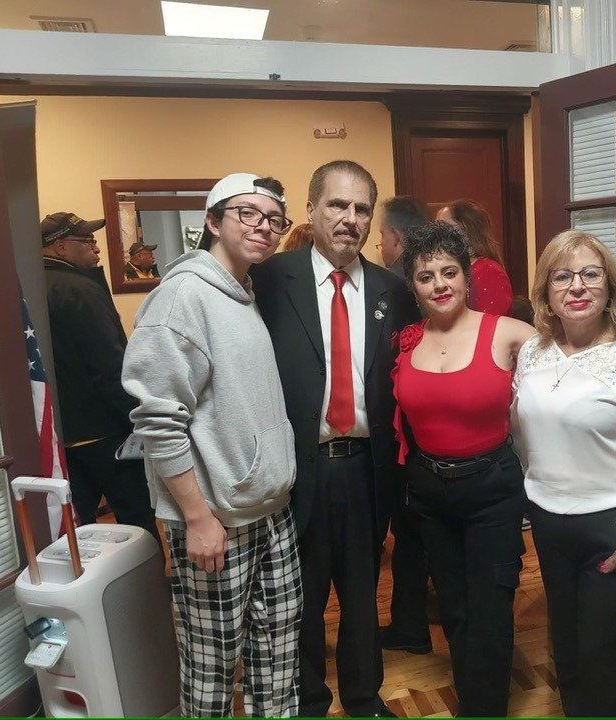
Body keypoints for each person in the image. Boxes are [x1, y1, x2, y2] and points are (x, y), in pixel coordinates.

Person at [122, 173, 302, 717]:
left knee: (278, 655)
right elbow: (157, 420)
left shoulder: (245, 293)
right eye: (247, 213)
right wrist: (198, 518)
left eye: (274, 219)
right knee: (211, 667)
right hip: (213, 519)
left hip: (270, 509)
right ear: (212, 221)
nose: (263, 227)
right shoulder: (182, 296)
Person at [250, 160, 419, 718]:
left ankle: (364, 699)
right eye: (337, 205)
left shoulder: (394, 290)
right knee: (301, 594)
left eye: (361, 209)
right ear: (311, 209)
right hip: (299, 467)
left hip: (368, 468)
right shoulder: (271, 278)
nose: (350, 219)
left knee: (363, 593)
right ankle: (308, 701)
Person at [511, 229, 616, 716]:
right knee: (566, 647)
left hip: (613, 527)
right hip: (549, 522)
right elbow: (523, 435)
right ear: (546, 291)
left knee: (605, 654)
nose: (577, 286)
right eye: (561, 277)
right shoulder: (534, 351)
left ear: (609, 286)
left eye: (591, 274)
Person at [391, 220, 535, 716]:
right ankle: (474, 697)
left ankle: (484, 709)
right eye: (426, 276)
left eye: (449, 272)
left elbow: (567, 379)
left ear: (467, 275)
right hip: (431, 494)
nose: (440, 284)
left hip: (492, 489)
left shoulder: (509, 333)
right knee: (453, 607)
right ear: (413, 286)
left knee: (490, 607)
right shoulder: (408, 340)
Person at [40, 211, 158, 541]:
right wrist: (137, 418)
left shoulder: (33, 287)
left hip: (61, 434)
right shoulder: (80, 289)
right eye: (87, 241)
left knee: (78, 527)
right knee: (137, 520)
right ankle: (144, 576)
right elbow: (110, 364)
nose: (96, 248)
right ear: (60, 246)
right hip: (106, 431)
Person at [375, 194, 432, 654]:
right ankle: (414, 624)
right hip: (432, 437)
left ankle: (410, 626)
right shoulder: (435, 283)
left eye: (380, 237)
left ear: (394, 236)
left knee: (410, 536)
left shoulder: (394, 287)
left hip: (403, 437)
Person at [437, 199, 513, 315]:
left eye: (444, 228)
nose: (436, 235)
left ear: (468, 231)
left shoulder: (487, 271)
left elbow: (489, 322)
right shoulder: (446, 271)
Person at [378, 195, 428, 276]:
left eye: (382, 234)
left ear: (396, 236)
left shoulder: (391, 281)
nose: (381, 242)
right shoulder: (432, 271)